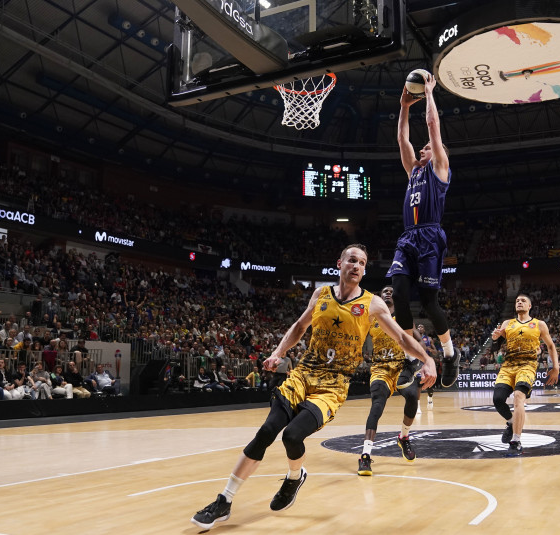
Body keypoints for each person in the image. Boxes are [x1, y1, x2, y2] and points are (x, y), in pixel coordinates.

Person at [191, 244, 437, 530]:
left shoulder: (373, 304)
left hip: (332, 387)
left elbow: (402, 339)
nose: (356, 266)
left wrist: (427, 358)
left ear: (365, 270)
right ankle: (224, 500)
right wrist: (278, 353)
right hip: (304, 375)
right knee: (266, 431)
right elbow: (298, 327)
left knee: (292, 437)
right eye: (352, 260)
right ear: (340, 264)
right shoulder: (320, 295)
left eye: (362, 263)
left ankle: (295, 478)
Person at [387, 72, 458, 389]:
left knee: (430, 304)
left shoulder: (439, 168)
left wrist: (429, 93)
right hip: (408, 237)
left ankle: (450, 355)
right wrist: (403, 106)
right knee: (399, 294)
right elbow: (403, 140)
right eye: (424, 148)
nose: (423, 149)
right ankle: (409, 359)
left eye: (428, 148)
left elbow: (433, 128)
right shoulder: (413, 171)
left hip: (430, 236)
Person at [357, 286, 424, 476]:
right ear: (379, 297)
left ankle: (403, 437)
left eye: (391, 291)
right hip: (380, 369)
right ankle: (365, 455)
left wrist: (417, 358)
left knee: (412, 396)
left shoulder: (403, 318)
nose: (388, 292)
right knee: (377, 405)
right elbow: (357, 338)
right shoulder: (371, 318)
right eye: (384, 291)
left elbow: (419, 340)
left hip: (401, 367)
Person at [489, 294, 559, 456]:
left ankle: (516, 440)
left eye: (523, 301)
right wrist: (495, 338)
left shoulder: (539, 324)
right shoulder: (508, 324)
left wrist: (555, 367)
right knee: (498, 400)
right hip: (508, 366)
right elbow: (496, 345)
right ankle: (511, 422)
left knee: (518, 396)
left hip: (527, 365)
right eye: (517, 301)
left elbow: (550, 346)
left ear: (529, 306)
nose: (519, 302)